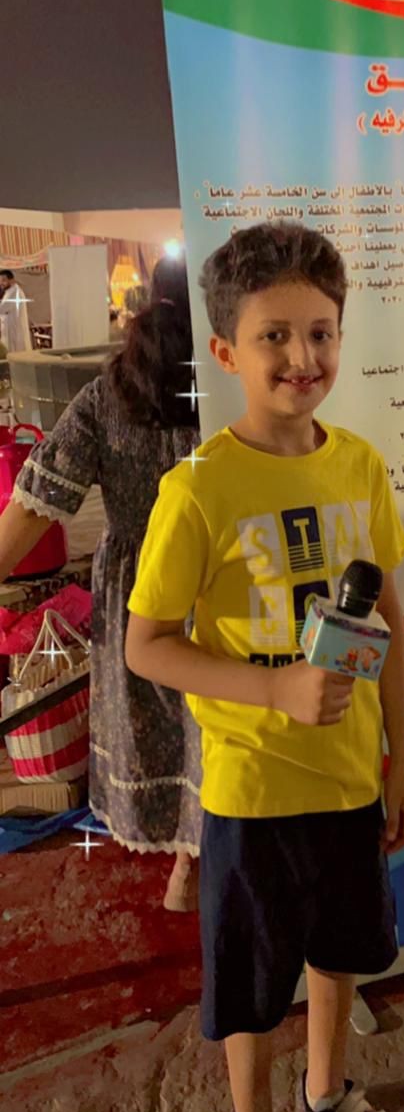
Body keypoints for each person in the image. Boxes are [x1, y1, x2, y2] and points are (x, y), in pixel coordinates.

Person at [126, 221, 404, 1112]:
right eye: (274, 336)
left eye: (320, 332)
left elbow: (392, 623)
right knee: (249, 983)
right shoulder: (198, 489)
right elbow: (147, 642)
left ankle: (324, 1092)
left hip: (347, 781)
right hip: (250, 792)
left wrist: (401, 763)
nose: (302, 357)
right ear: (226, 352)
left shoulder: (360, 466)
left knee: (339, 951)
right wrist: (274, 688)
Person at [0, 257, 202, 910]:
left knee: (152, 724)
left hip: (138, 594)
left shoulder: (108, 395)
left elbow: (32, 507)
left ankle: (182, 864)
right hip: (216, 581)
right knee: (214, 723)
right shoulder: (235, 389)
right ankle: (196, 858)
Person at [0, 268, 32, 353]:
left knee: (16, 354)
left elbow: (2, 309)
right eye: (0, 281)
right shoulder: (9, 291)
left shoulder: (15, 292)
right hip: (10, 330)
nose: (1, 283)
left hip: (15, 331)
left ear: (12, 280)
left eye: (3, 280)